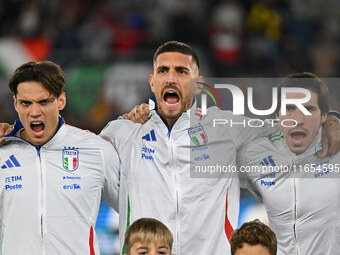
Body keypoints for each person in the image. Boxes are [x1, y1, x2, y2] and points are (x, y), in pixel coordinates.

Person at [0, 61, 120, 254]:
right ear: (15, 103)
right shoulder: (3, 151)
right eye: (25, 103)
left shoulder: (96, 150)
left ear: (61, 101)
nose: (34, 112)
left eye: (44, 102)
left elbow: (134, 208)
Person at [237, 72, 340, 254]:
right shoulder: (252, 154)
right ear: (278, 114)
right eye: (290, 108)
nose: (298, 120)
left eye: (308, 109)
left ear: (323, 115)